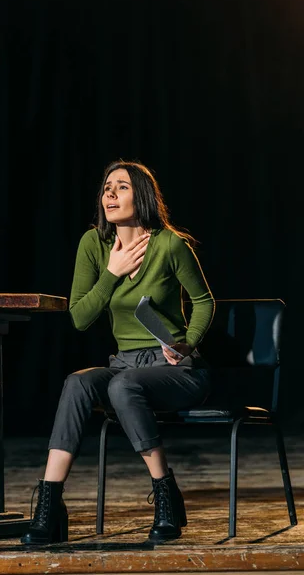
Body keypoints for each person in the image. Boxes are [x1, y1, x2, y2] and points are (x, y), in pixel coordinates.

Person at [21, 159, 215, 546]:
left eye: (121, 187)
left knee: (124, 386)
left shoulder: (169, 244)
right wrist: (112, 272)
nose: (110, 194)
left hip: (176, 368)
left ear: (141, 195)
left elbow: (204, 301)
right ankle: (49, 504)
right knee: (78, 383)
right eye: (107, 187)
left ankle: (165, 494)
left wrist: (186, 342)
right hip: (125, 364)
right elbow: (79, 317)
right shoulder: (93, 245)